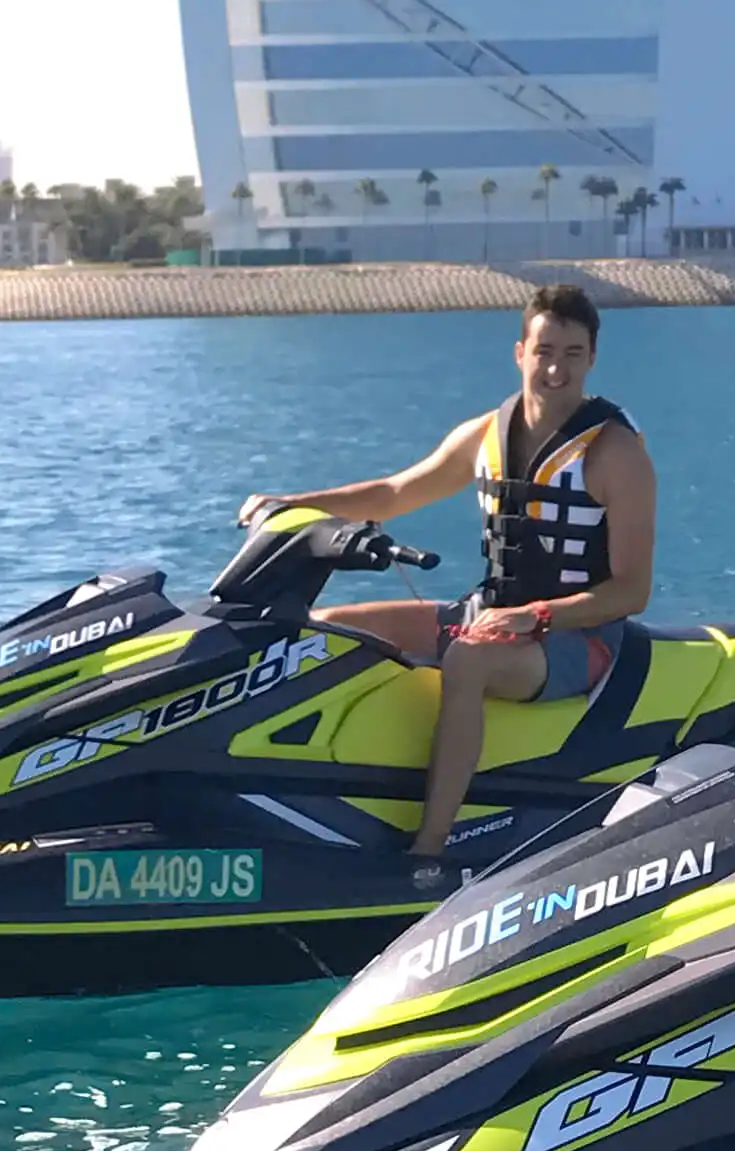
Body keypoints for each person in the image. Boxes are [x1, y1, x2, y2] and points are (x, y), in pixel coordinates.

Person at [244, 280, 656, 875]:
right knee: (324, 629)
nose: (556, 370)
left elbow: (631, 591)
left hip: (578, 639)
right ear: (520, 353)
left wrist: (537, 615)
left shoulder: (615, 455)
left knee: (467, 663)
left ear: (592, 358)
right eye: (544, 352)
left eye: (572, 355)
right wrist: (292, 505)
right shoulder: (485, 434)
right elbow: (393, 493)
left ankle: (428, 853)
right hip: (485, 614)